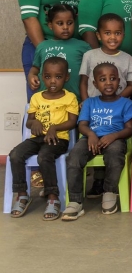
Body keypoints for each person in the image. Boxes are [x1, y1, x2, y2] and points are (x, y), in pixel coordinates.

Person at [63, 63, 132, 220]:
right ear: (95, 84)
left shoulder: (126, 103)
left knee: (115, 155)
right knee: (74, 157)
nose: (108, 83)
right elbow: (82, 125)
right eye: (103, 79)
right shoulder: (89, 103)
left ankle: (109, 191)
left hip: (115, 139)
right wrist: (91, 134)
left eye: (112, 79)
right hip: (90, 139)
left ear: (119, 81)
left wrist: (113, 136)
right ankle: (75, 201)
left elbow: (129, 129)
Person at [9, 57, 78, 220]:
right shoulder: (36, 97)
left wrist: (54, 128)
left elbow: (72, 122)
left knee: (44, 156)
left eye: (58, 77)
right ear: (42, 77)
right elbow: (29, 122)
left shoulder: (70, 98)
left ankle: (53, 197)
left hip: (58, 139)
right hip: (37, 138)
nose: (52, 81)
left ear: (66, 77)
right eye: (48, 77)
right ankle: (22, 195)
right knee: (15, 155)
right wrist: (35, 122)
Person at [18, 0, 84, 101]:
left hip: (70, 48)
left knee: (69, 101)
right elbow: (29, 17)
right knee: (41, 101)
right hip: (42, 46)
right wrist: (45, 50)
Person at [27, 4, 91, 102]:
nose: (65, 27)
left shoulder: (83, 46)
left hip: (74, 103)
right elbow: (36, 67)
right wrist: (31, 75)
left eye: (69, 23)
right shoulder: (42, 46)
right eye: (60, 23)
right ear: (50, 25)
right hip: (46, 102)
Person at [79, 14, 132, 103]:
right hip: (93, 106)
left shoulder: (129, 59)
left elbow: (131, 85)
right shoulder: (89, 55)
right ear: (98, 35)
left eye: (117, 33)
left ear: (123, 35)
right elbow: (83, 83)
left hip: (118, 106)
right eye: (107, 33)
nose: (113, 37)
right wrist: (86, 103)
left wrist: (116, 100)